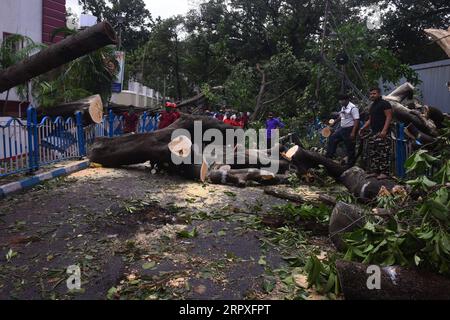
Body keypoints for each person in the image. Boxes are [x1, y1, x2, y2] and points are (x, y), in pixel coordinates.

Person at [359, 87, 394, 175]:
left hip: (382, 133)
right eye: (371, 94)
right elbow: (370, 119)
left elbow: (389, 117)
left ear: (379, 94)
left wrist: (384, 131)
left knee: (383, 154)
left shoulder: (385, 104)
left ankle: (384, 173)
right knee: (374, 153)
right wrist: (363, 128)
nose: (372, 95)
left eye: (374, 93)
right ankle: (375, 171)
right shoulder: (372, 106)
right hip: (374, 133)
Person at [326, 93, 360, 167]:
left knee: (350, 147)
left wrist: (353, 132)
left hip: (350, 129)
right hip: (342, 129)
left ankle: (350, 165)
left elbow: (356, 120)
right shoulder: (343, 107)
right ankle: (328, 157)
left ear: (347, 100)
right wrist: (334, 123)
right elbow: (341, 116)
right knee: (332, 138)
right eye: (340, 100)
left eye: (342, 100)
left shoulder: (353, 108)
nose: (340, 102)